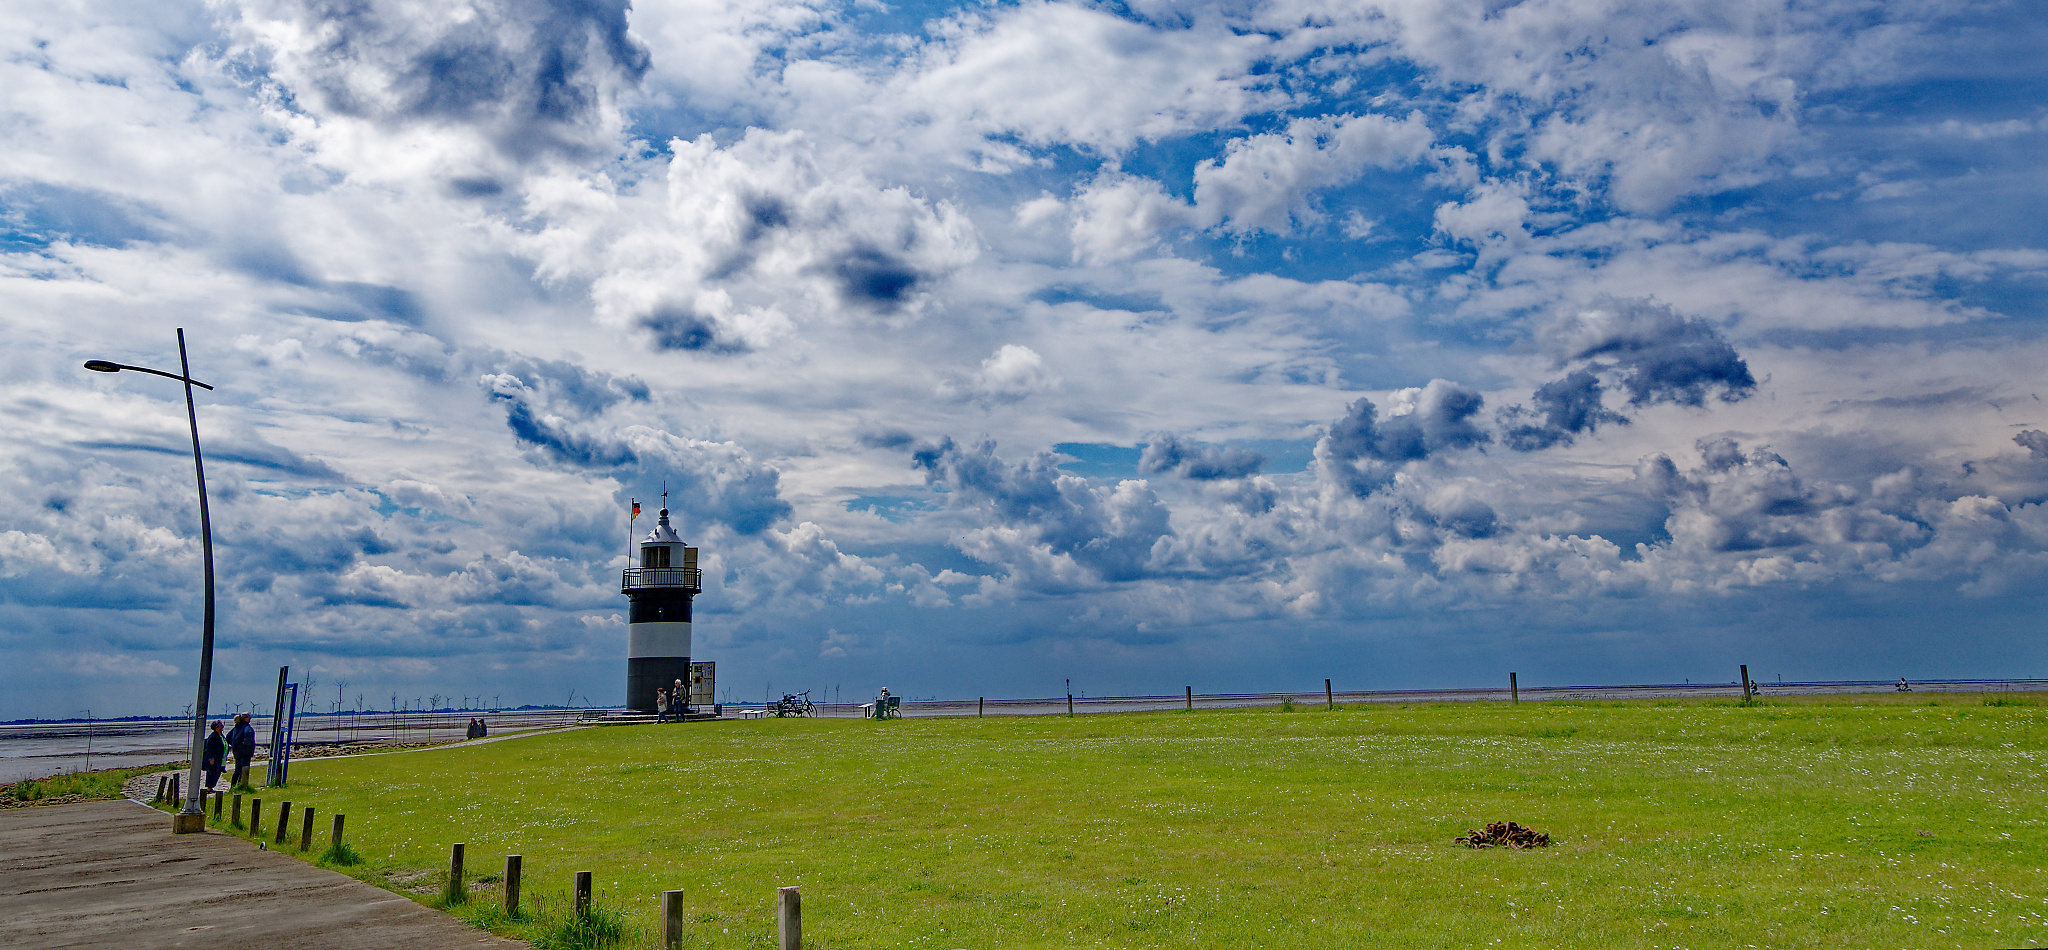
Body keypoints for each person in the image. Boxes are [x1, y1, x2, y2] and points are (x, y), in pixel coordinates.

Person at [226, 713, 257, 789]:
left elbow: (228, 737)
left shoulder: (236, 728)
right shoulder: (246, 727)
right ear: (245, 718)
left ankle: (233, 786)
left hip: (237, 751)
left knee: (237, 769)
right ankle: (242, 785)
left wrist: (234, 744)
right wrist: (246, 743)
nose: (250, 719)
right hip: (245, 751)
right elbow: (249, 734)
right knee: (244, 769)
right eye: (249, 717)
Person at [202, 721, 226, 791]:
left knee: (217, 772)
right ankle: (209, 788)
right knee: (212, 772)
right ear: (216, 727)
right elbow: (209, 747)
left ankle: (212, 786)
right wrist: (211, 758)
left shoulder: (221, 736)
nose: (222, 727)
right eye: (220, 725)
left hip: (220, 758)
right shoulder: (213, 736)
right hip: (214, 758)